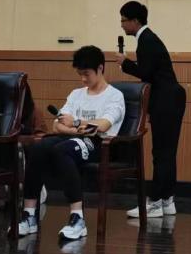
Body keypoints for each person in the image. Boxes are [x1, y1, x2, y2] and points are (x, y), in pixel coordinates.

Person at [18, 45, 126, 241]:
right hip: (73, 137)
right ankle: (29, 215)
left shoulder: (115, 96)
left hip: (98, 144)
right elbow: (57, 125)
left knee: (62, 150)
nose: (83, 79)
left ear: (100, 68)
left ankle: (77, 218)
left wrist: (76, 123)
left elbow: (102, 126)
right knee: (38, 147)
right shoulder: (76, 94)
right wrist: (79, 129)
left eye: (87, 74)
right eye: (80, 74)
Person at [115, 1, 187, 220]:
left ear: (135, 21)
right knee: (167, 153)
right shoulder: (149, 39)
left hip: (166, 100)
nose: (122, 25)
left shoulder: (146, 40)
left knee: (161, 153)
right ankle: (167, 200)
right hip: (170, 99)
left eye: (124, 20)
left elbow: (146, 73)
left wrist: (125, 63)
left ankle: (155, 202)